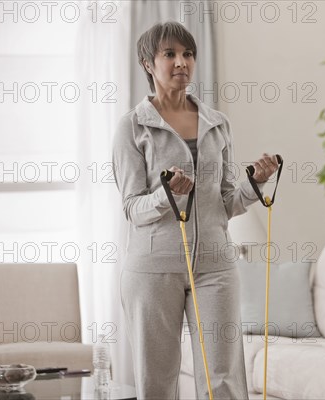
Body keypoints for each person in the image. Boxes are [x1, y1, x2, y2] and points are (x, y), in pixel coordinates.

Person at [112, 21, 279, 399]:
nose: (181, 62)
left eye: (187, 54)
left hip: (216, 266)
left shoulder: (218, 124)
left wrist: (256, 183)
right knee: (157, 381)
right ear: (148, 64)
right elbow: (132, 208)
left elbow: (224, 203)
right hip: (154, 270)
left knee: (224, 379)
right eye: (169, 54)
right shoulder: (132, 127)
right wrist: (165, 195)